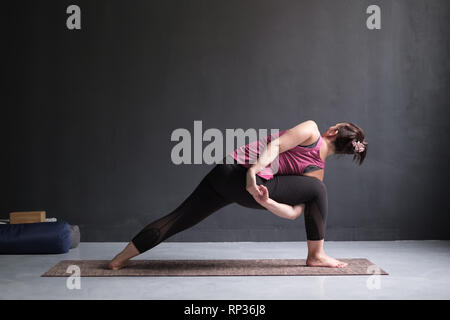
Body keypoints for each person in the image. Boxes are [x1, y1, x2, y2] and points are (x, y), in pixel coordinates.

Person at [108, 120, 368, 269]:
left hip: (229, 172)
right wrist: (258, 183)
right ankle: (316, 255)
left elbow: (276, 146)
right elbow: (292, 213)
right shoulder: (316, 174)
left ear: (333, 131)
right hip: (245, 180)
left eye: (334, 124)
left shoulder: (312, 129)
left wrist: (264, 195)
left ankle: (119, 259)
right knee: (317, 190)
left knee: (177, 218)